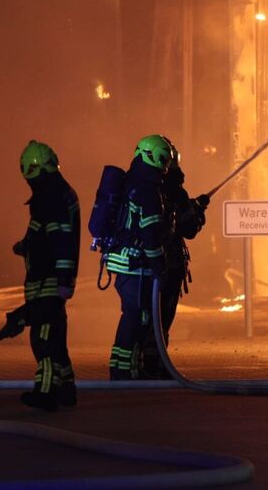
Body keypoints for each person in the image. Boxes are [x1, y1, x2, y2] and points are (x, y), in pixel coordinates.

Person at [0, 140, 80, 411]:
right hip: (52, 279)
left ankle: (46, 393)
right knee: (56, 337)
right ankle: (66, 388)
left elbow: (60, 240)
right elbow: (47, 235)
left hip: (48, 281)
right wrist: (26, 246)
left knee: (44, 339)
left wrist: (62, 279)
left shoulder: (49, 197)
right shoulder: (58, 192)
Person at [104, 134, 173, 380]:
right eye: (164, 159)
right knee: (136, 317)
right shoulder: (148, 189)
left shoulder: (132, 181)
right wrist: (159, 263)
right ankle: (125, 371)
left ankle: (124, 367)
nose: (166, 165)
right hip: (135, 265)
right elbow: (150, 233)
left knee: (134, 316)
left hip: (125, 261)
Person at [140, 137, 209, 379]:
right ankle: (156, 366)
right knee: (162, 318)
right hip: (168, 265)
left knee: (144, 315)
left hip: (142, 264)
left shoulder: (146, 187)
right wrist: (198, 213)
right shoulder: (175, 191)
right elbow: (188, 228)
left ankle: (138, 364)